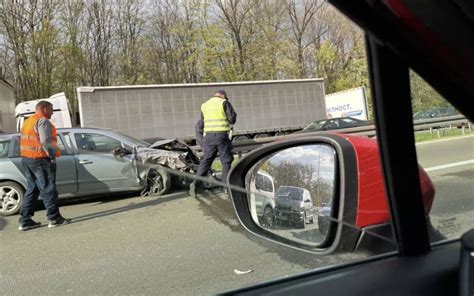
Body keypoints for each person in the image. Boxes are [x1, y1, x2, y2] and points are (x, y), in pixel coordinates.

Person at [18, 100, 71, 231]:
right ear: (45, 109)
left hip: (27, 158)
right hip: (40, 159)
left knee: (33, 189)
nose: (52, 113)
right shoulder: (43, 121)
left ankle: (25, 220)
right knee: (48, 188)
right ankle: (54, 218)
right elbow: (46, 141)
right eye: (51, 110)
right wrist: (52, 157)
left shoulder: (28, 121)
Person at [190, 90, 237, 196]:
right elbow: (232, 119)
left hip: (208, 137)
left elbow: (202, 121)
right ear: (223, 96)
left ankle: (195, 184)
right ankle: (226, 188)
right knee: (226, 161)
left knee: (206, 161)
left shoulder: (204, 105)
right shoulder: (224, 103)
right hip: (221, 137)